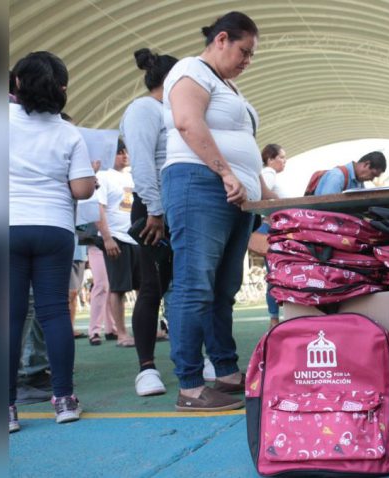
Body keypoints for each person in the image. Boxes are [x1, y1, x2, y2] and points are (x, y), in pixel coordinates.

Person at [162, 11, 275, 411]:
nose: (248, 61)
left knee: (224, 288)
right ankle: (190, 385)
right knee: (194, 285)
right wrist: (226, 172)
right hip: (199, 184)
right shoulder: (191, 70)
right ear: (222, 39)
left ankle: (225, 371)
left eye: (252, 55)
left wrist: (269, 201)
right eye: (245, 51)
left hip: (236, 197)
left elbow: (245, 151)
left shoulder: (230, 87)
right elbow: (187, 122)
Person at [9, 51, 97, 431]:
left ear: (16, 83)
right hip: (54, 228)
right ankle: (63, 400)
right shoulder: (68, 132)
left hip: (6, 225)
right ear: (62, 88)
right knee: (55, 313)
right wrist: (89, 177)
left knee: (8, 317)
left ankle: (5, 408)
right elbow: (81, 190)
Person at [121, 47, 178, 397]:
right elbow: (142, 163)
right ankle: (146, 368)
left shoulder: (176, 112)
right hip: (153, 209)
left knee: (185, 288)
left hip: (181, 207)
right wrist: (154, 211)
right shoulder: (144, 109)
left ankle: (193, 356)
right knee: (152, 288)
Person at [94, 140, 139, 348]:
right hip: (116, 238)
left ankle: (144, 329)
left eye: (126, 152)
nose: (124, 155)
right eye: (119, 152)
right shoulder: (103, 176)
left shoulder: (132, 176)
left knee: (144, 288)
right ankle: (121, 333)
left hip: (137, 238)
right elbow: (98, 208)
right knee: (118, 288)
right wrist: (107, 238)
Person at [257, 143, 287, 327]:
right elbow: (261, 198)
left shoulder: (270, 174)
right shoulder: (268, 173)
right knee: (275, 274)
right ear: (270, 159)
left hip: (271, 229)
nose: (284, 161)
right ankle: (274, 318)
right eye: (281, 157)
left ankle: (275, 318)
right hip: (270, 230)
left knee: (275, 274)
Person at [312, 151, 387, 195]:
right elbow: (328, 208)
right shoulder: (337, 176)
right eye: (373, 174)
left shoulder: (359, 182)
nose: (372, 179)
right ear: (366, 164)